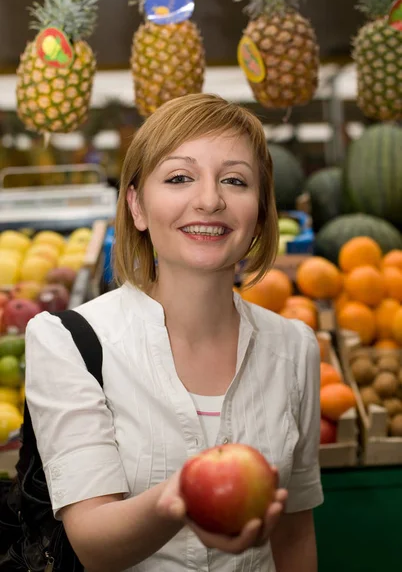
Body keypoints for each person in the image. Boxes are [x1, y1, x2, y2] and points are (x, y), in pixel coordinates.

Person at [25, 93, 323, 572]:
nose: (209, 200)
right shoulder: (69, 341)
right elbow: (94, 546)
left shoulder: (295, 348)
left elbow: (293, 531)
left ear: (261, 214)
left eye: (235, 180)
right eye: (180, 177)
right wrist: (181, 496)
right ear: (137, 207)